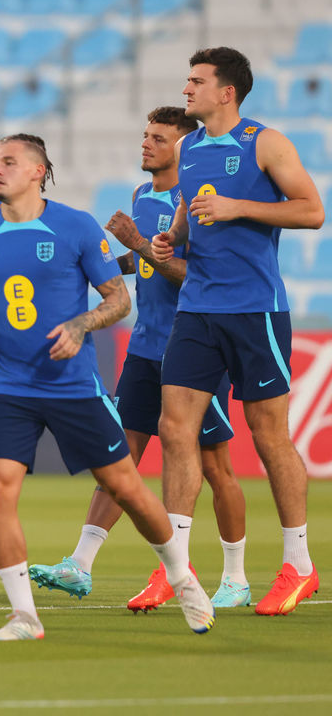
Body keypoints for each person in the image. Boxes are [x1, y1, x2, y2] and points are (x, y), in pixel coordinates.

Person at [0, 133, 215, 640]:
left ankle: (182, 578)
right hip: (10, 388)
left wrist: (80, 326)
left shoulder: (74, 226)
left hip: (73, 388)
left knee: (127, 489)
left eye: (7, 162)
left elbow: (118, 300)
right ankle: (24, 615)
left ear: (36, 171)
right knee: (0, 488)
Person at [29, 108, 251, 611]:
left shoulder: (193, 200)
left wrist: (136, 247)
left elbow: (196, 274)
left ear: (184, 148)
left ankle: (235, 575)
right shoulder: (141, 195)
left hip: (194, 349)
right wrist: (104, 265)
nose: (147, 144)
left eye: (160, 138)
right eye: (146, 135)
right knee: (118, 456)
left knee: (217, 467)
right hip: (145, 346)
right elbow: (147, 265)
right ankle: (80, 565)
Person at [151, 47, 324, 616]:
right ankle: (176, 566)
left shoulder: (264, 142)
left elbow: (312, 211)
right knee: (175, 429)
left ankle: (298, 564)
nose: (187, 89)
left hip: (255, 309)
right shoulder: (187, 147)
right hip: (197, 308)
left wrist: (238, 207)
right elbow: (189, 211)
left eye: (196, 81)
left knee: (268, 435)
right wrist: (171, 238)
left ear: (227, 91)